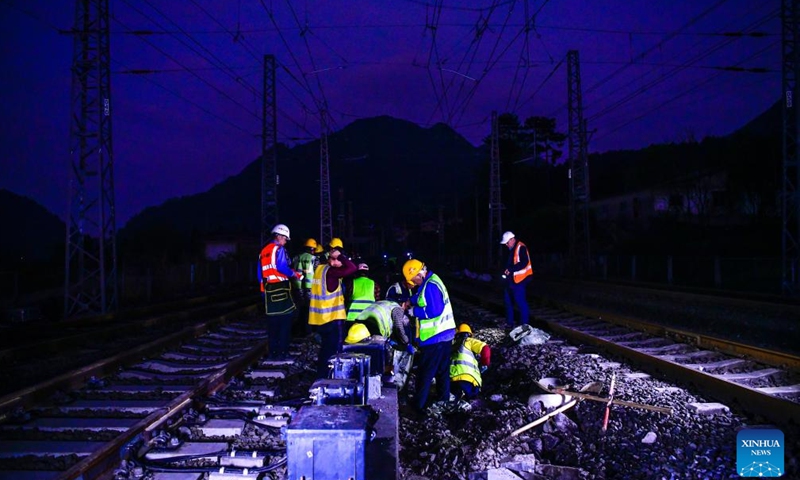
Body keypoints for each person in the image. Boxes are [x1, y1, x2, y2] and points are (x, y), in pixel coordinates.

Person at [403, 258, 456, 414]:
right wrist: (409, 301)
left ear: (419, 274)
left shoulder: (431, 285)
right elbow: (420, 296)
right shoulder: (430, 281)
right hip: (444, 335)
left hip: (435, 337)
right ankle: (443, 401)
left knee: (425, 373)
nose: (414, 283)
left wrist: (414, 312)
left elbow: (434, 311)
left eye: (413, 280)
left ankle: (418, 406)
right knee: (442, 372)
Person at [308, 245, 357, 377]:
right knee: (333, 352)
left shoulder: (320, 269)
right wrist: (340, 256)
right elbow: (352, 268)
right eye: (340, 260)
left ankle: (322, 375)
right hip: (332, 319)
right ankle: (328, 377)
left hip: (320, 319)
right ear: (333, 260)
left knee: (325, 350)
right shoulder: (331, 272)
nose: (342, 263)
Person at [258, 224, 303, 359]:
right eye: (285, 238)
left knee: (273, 324)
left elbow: (260, 274)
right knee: (285, 321)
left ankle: (273, 353)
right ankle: (283, 353)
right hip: (281, 289)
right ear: (279, 236)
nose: (285, 241)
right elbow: (282, 267)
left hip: (268, 290)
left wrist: (263, 291)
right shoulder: (279, 249)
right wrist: (294, 274)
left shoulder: (263, 251)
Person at [500, 231, 532, 329]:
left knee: (520, 302)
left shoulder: (521, 247)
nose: (505, 244)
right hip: (511, 280)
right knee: (508, 301)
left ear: (512, 239)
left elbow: (524, 262)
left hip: (520, 280)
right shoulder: (511, 248)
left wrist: (511, 269)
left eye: (507, 242)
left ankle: (524, 325)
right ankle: (509, 323)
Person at [450, 323, 490, 400]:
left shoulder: (452, 346)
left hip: (453, 380)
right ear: (469, 334)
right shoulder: (469, 341)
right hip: (470, 379)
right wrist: (485, 364)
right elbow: (485, 348)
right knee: (471, 404)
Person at [292, 238, 318, 330]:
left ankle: (297, 328)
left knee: (299, 309)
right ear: (312, 249)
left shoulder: (296, 257)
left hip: (297, 288)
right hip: (309, 288)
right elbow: (317, 273)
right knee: (309, 310)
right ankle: (308, 330)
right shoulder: (314, 259)